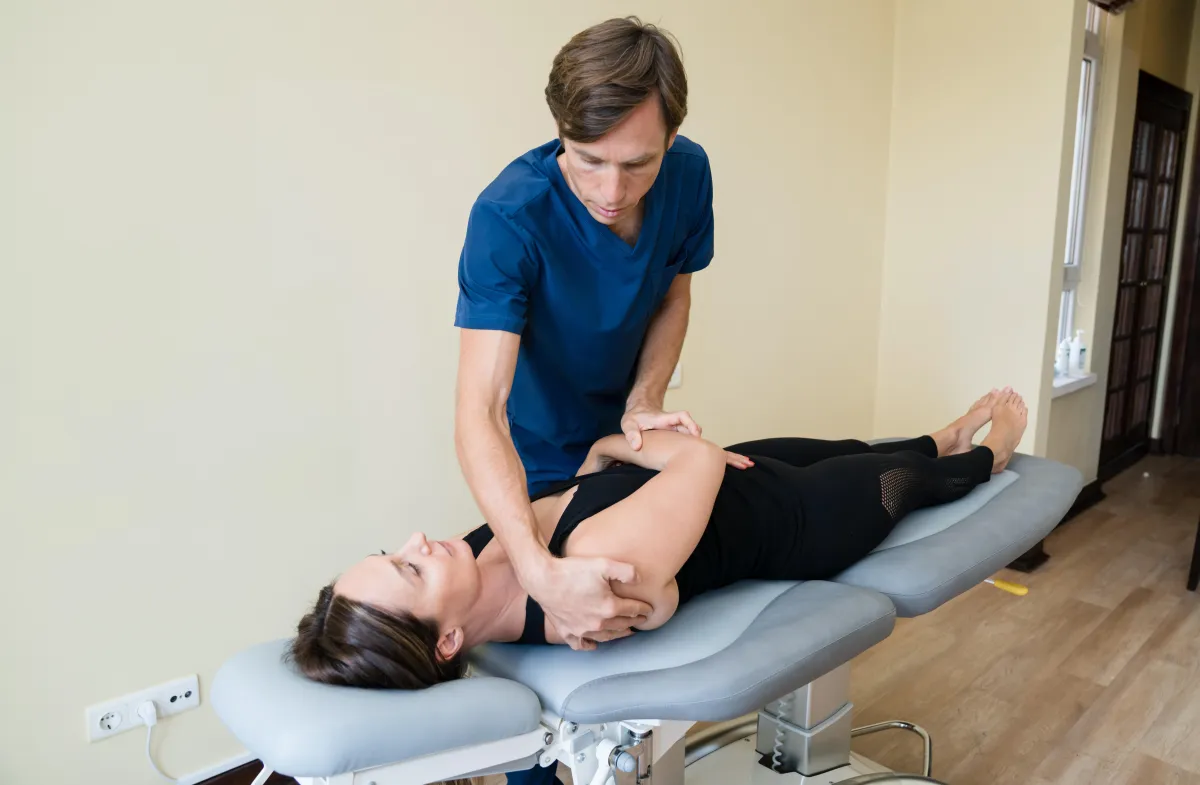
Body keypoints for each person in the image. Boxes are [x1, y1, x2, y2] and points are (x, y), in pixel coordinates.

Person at [290, 390, 1028, 690]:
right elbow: (695, 459)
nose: (419, 540)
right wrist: (621, 446)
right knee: (907, 479)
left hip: (741, 472)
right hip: (796, 519)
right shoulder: (585, 584)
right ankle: (987, 456)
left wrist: (606, 450)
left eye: (394, 551)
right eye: (410, 570)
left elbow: (592, 478)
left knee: (854, 446)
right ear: (448, 641)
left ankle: (942, 433)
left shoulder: (478, 554)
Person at [453, 13, 712, 659]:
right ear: (559, 130)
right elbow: (480, 410)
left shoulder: (689, 173)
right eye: (588, 160)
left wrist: (645, 400)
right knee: (556, 630)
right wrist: (536, 568)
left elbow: (673, 294)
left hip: (630, 438)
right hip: (539, 456)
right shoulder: (509, 218)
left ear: (671, 138)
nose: (612, 191)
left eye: (638, 164)